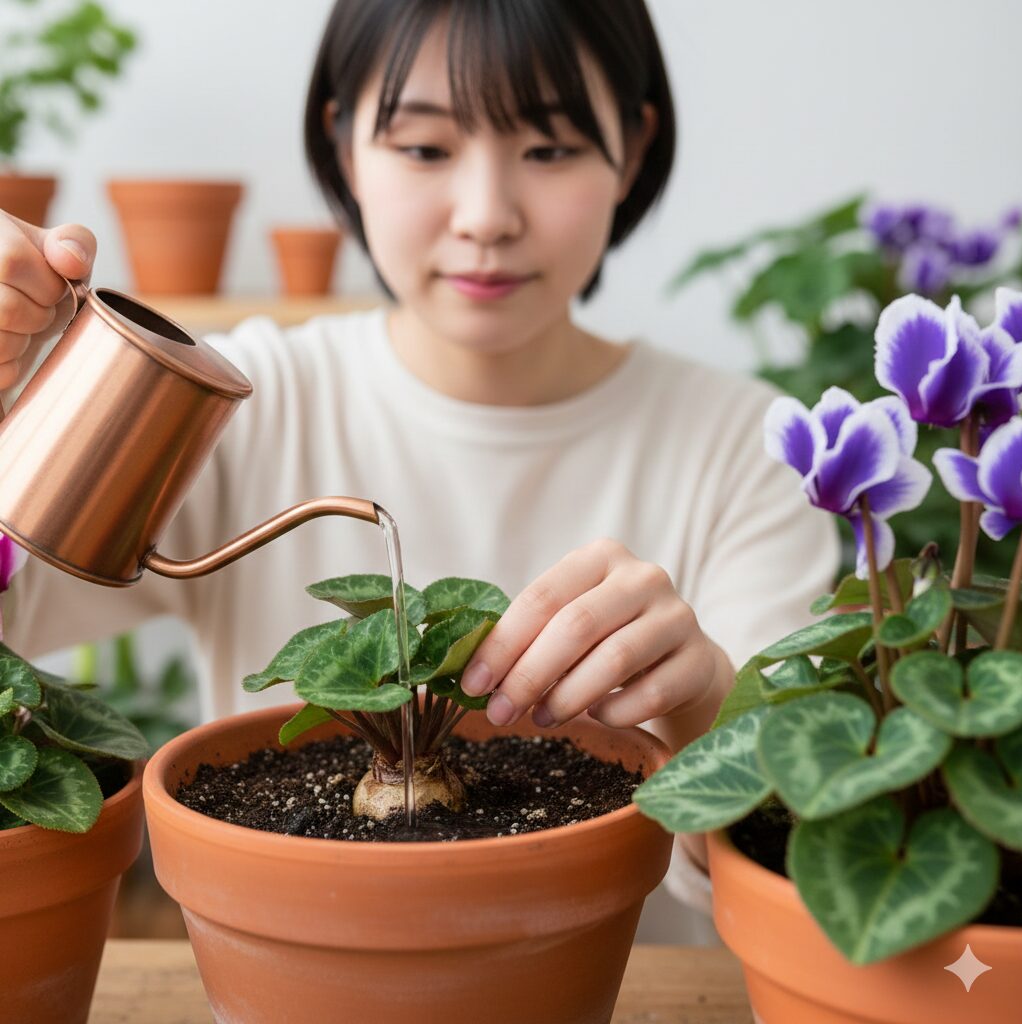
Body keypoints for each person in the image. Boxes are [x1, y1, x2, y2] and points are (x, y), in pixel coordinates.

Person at [0, 0, 838, 924]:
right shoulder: (236, 407)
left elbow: (801, 867)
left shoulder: (753, 448)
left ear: (632, 149)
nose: (486, 217)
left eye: (549, 148)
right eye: (426, 148)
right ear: (344, 146)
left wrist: (705, 700)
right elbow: (16, 615)